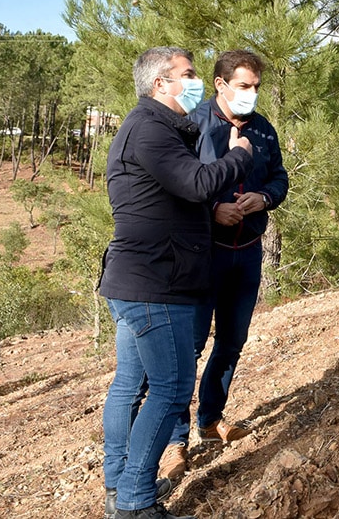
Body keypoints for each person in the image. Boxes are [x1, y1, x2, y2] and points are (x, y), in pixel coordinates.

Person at [99, 46, 253, 519]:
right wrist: (239, 156)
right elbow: (196, 183)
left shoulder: (154, 128)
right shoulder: (150, 129)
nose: (195, 82)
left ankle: (119, 486)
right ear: (160, 84)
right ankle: (135, 501)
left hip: (141, 277)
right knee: (168, 388)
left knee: (131, 383)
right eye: (187, 75)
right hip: (156, 282)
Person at [158, 50, 289, 481]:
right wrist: (213, 208)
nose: (251, 94)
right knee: (189, 347)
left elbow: (279, 179)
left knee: (232, 342)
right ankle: (174, 441)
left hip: (248, 251)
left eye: (256, 87)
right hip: (203, 254)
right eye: (244, 85)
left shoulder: (265, 131)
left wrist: (263, 197)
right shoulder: (193, 123)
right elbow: (177, 185)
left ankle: (211, 420)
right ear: (220, 85)